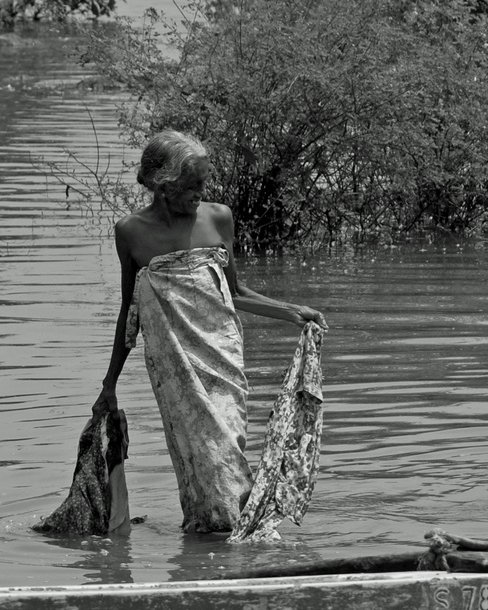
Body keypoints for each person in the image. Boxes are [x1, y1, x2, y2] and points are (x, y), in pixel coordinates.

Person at [94, 131, 326, 533]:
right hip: (173, 367)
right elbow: (128, 313)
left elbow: (235, 294)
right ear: (165, 184)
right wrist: (109, 384)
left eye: (203, 182)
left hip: (222, 358)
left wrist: (292, 312)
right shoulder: (130, 232)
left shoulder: (218, 218)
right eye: (192, 185)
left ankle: (232, 542)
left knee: (225, 450)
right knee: (196, 461)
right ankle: (215, 543)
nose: (201, 192)